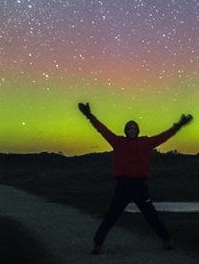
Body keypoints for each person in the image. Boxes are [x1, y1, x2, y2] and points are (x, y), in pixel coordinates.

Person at [78, 102, 192, 255]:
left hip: (139, 186)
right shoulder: (118, 142)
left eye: (134, 127)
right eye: (129, 128)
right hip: (123, 185)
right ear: (126, 130)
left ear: (137, 130)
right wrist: (89, 116)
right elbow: (102, 129)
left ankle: (166, 239)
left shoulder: (146, 142)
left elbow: (164, 136)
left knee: (151, 215)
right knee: (112, 215)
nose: (132, 129)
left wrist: (178, 125)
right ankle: (97, 244)